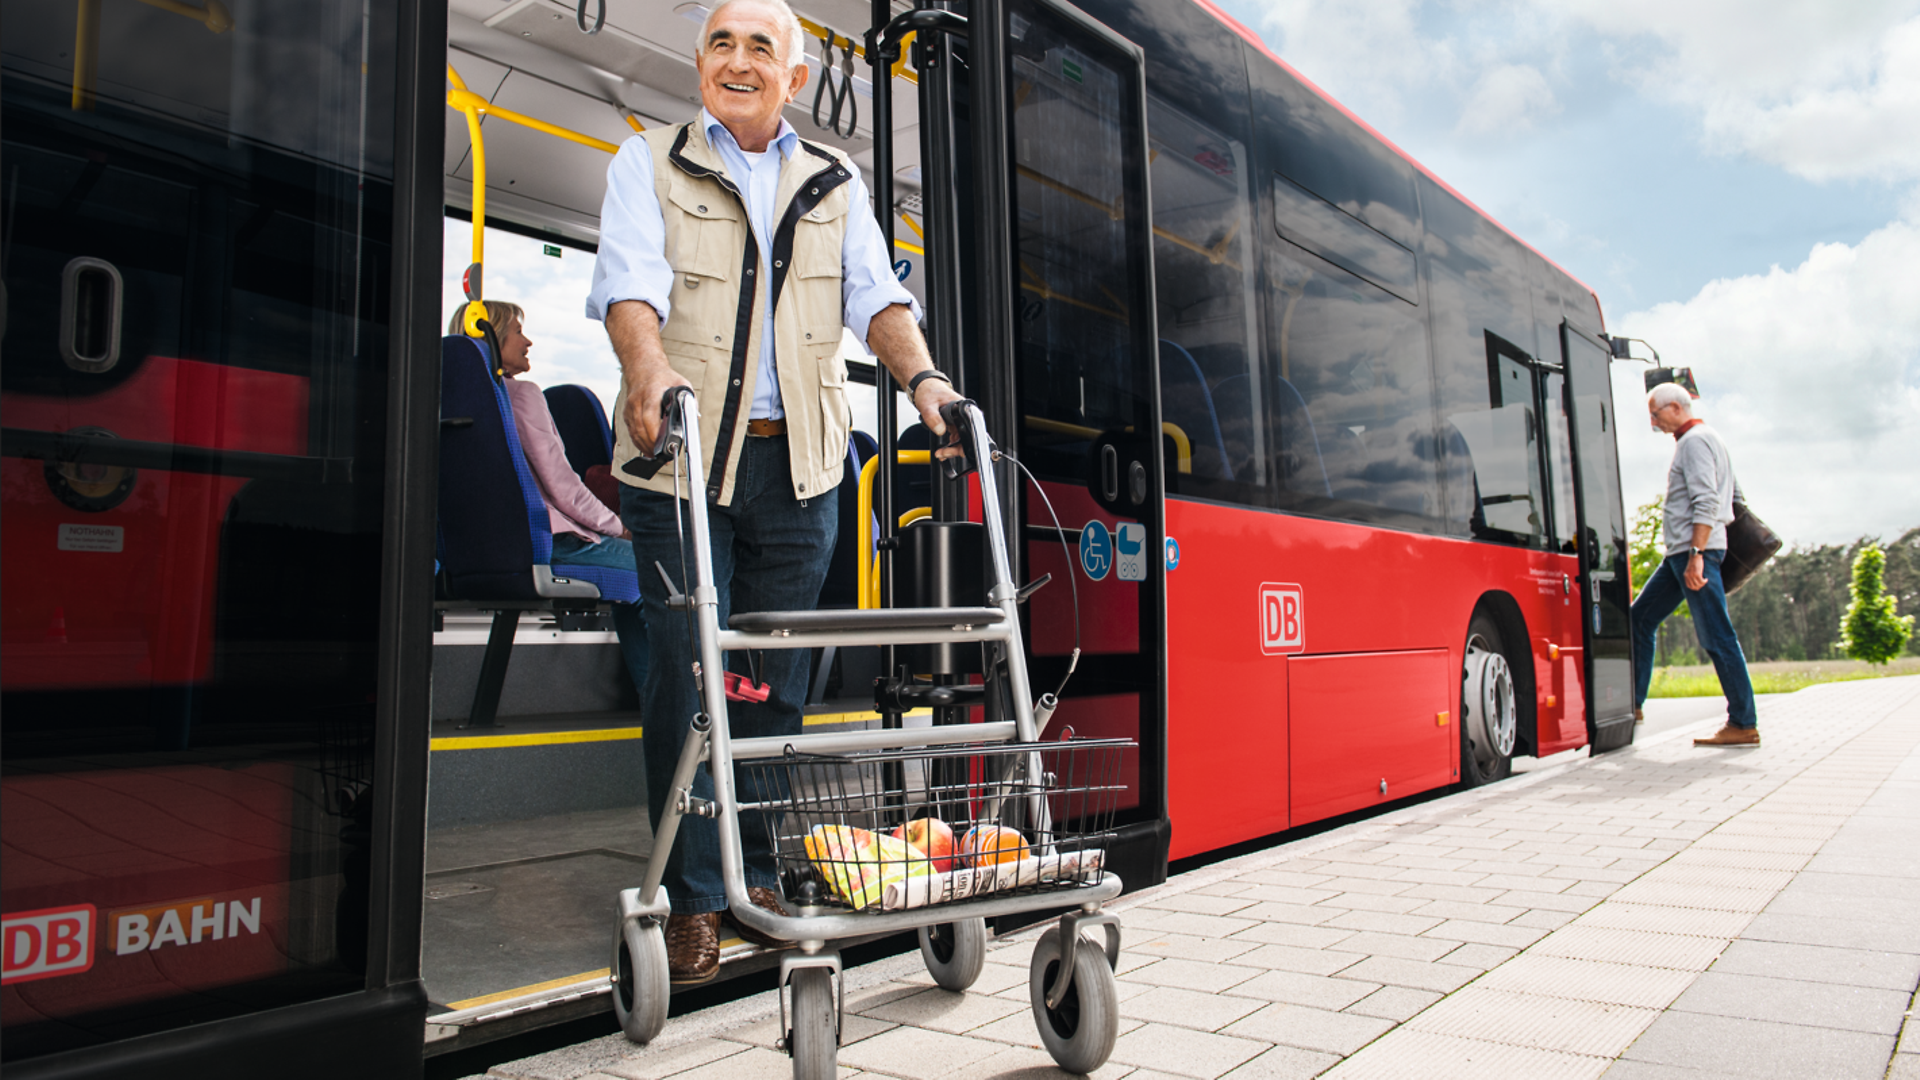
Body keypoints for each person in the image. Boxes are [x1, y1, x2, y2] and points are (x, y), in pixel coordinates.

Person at [585, 0, 964, 983]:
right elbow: (629, 287)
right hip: (680, 457)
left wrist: (923, 379)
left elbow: (877, 296)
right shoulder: (648, 161)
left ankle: (750, 873)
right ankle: (695, 901)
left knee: (769, 686)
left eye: (763, 47)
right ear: (700, 62)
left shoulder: (833, 183)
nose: (740, 60)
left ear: (793, 79)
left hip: (801, 469)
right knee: (688, 674)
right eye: (722, 42)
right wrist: (642, 371)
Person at [447, 301, 651, 699]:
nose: (528, 341)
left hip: (495, 550)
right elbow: (564, 488)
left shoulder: (459, 404)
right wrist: (618, 528)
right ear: (490, 338)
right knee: (666, 574)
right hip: (555, 543)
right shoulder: (521, 395)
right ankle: (671, 708)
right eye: (517, 331)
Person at [1631, 381, 1759, 747]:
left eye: (1655, 415)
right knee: (1640, 618)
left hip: (1693, 554)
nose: (1654, 424)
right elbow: (1730, 497)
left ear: (1675, 407)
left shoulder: (1695, 442)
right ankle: (1634, 703)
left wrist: (1698, 556)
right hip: (1680, 555)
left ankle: (1743, 723)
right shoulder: (1706, 439)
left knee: (1717, 636)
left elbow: (1707, 501)